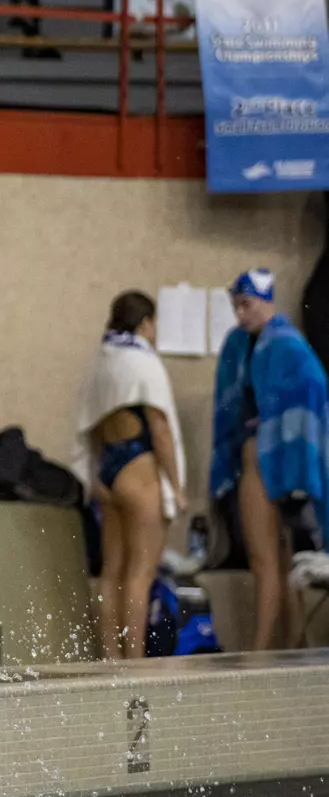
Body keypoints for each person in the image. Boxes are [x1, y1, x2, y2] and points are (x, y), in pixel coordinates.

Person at [211, 268, 329, 651]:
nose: (240, 314)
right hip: (263, 462)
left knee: (265, 562)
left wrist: (278, 436)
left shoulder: (286, 344)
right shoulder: (242, 345)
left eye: (247, 305)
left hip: (266, 465)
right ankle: (296, 644)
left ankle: (260, 653)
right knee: (281, 563)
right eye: (236, 306)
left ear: (267, 302)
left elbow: (314, 390)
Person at [73, 291, 186, 660]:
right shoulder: (143, 364)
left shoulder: (100, 363)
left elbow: (87, 427)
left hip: (108, 469)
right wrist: (177, 486)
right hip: (140, 469)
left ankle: (111, 657)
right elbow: (160, 428)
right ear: (146, 323)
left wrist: (93, 476)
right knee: (141, 572)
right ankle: (136, 661)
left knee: (112, 571)